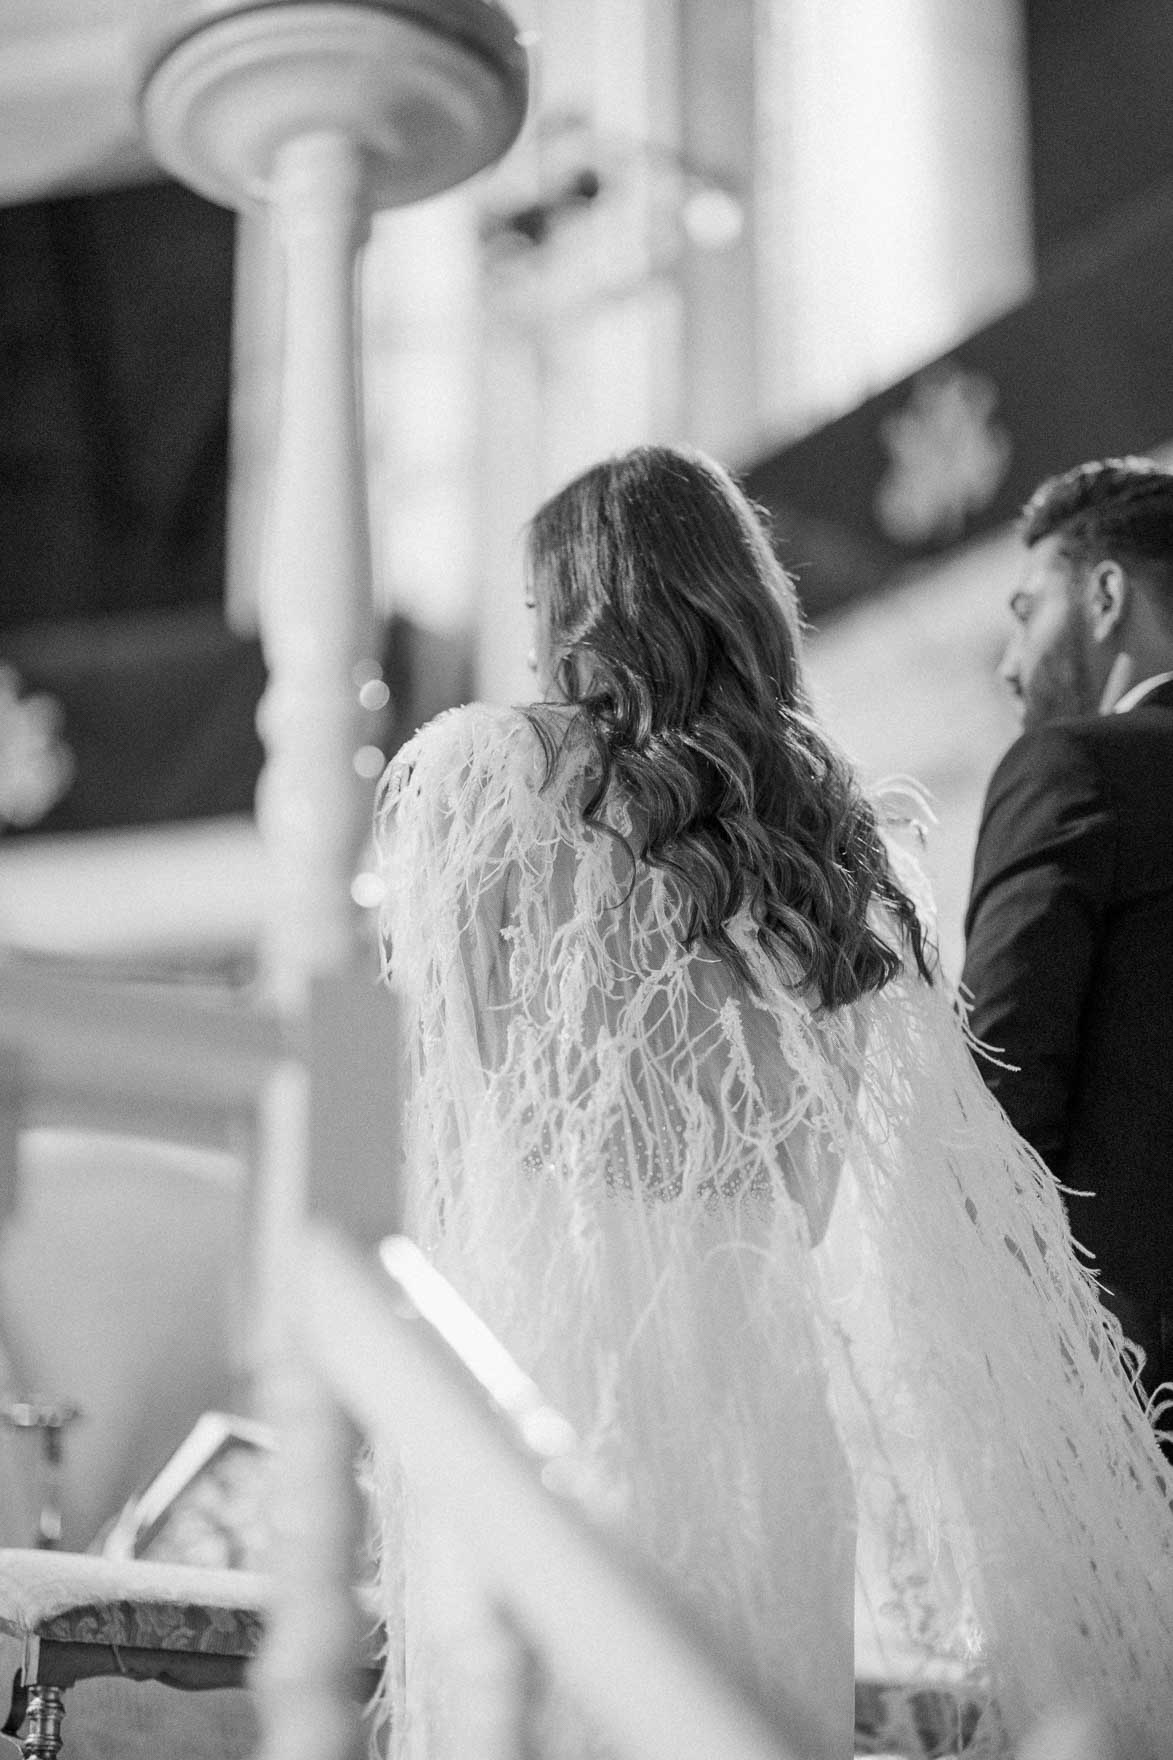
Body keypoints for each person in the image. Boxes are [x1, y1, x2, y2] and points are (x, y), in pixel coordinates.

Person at [376, 445, 1173, 1760]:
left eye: (535, 613)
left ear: (580, 603)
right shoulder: (823, 828)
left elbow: (470, 1099)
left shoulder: (485, 772)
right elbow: (813, 1185)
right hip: (763, 1380)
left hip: (557, 1347)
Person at [962, 458, 1173, 1402]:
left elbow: (999, 1078)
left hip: (1128, 1373)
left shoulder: (1073, 766)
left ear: (1103, 594)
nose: (1009, 662)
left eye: (1022, 610)